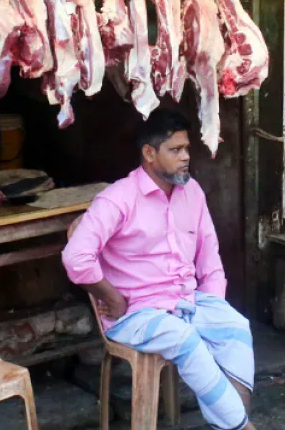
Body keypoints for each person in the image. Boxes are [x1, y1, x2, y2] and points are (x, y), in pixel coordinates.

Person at [63, 109, 255, 430]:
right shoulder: (117, 199)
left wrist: (213, 307)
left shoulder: (191, 192)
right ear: (149, 154)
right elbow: (76, 257)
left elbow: (210, 258)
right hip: (135, 313)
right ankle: (243, 429)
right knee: (186, 339)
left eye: (187, 149)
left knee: (235, 326)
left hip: (185, 302)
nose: (185, 158)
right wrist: (108, 294)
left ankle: (232, 424)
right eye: (175, 150)